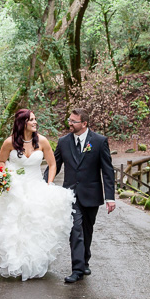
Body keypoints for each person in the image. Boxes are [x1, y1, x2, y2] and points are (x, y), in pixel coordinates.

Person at [0, 109, 75, 280]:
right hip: (15, 188)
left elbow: (52, 164)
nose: (35, 122)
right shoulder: (9, 142)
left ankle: (34, 263)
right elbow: (1, 161)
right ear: (23, 123)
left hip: (36, 186)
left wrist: (49, 183)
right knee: (15, 226)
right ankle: (16, 263)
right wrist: (5, 175)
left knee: (36, 226)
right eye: (32, 120)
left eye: (35, 119)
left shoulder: (43, 141)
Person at [54, 108, 116, 283]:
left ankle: (85, 260)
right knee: (75, 229)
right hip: (70, 195)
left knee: (87, 230)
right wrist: (44, 184)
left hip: (91, 194)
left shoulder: (99, 141)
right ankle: (77, 269)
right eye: (69, 120)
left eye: (74, 121)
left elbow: (107, 170)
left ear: (84, 124)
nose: (70, 123)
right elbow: (54, 166)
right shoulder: (63, 142)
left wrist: (110, 197)